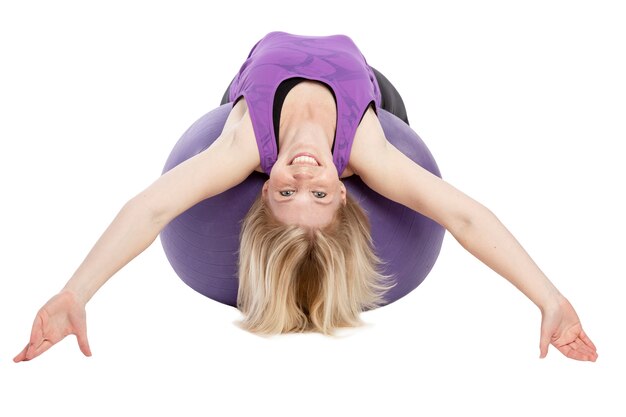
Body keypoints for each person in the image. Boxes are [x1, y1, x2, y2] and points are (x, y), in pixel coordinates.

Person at [14, 32, 597, 362]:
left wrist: (73, 293)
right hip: (376, 92)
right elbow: (464, 215)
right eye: (317, 193)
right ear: (345, 194)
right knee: (393, 109)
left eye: (288, 192)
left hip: (248, 89)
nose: (303, 170)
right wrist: (548, 299)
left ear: (262, 189)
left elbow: (153, 207)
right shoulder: (370, 152)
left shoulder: (242, 144)